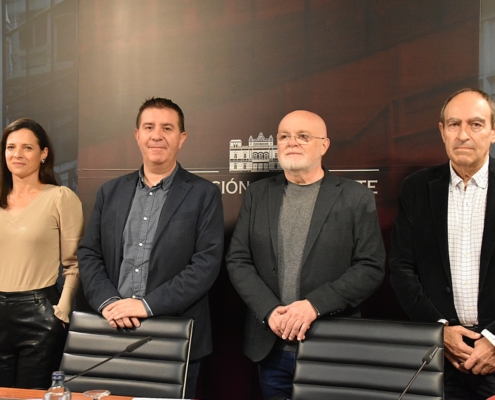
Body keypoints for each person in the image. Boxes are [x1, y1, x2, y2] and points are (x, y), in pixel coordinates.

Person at [226, 110, 386, 399]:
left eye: (303, 136)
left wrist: (314, 305)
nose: (292, 142)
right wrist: (269, 310)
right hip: (270, 348)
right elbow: (238, 260)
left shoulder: (354, 196)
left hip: (331, 347)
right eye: (284, 136)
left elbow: (370, 266)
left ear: (324, 145)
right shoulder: (257, 194)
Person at [78, 97, 224, 398]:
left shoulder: (204, 194)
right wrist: (109, 303)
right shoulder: (110, 192)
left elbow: (205, 266)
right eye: (149, 127)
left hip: (174, 336)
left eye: (167, 128)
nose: (157, 135)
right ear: (137, 134)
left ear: (181, 138)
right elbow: (89, 253)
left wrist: (145, 305)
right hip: (112, 331)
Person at [390, 88, 495, 399]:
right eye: (453, 124)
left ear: (492, 132)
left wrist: (493, 338)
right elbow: (401, 268)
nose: (463, 134)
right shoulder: (417, 188)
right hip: (437, 355)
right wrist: (439, 330)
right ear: (442, 132)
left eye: (475, 124)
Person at [0, 118, 83, 389]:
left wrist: (62, 311)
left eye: (27, 148)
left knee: (32, 396)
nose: (17, 154)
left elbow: (74, 263)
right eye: (11, 147)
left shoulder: (60, 197)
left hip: (39, 314)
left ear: (43, 153)